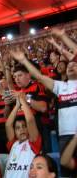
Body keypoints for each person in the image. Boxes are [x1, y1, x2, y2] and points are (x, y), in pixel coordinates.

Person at [10, 35, 77, 176]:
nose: (71, 66)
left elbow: (43, 107)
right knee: (67, 172)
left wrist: (63, 38)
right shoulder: (60, 86)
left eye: (74, 64)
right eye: (69, 65)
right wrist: (23, 60)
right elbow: (39, 76)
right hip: (64, 135)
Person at [4, 91, 42, 178]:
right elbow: (8, 125)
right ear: (15, 132)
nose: (21, 130)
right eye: (18, 128)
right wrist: (17, 105)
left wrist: (22, 100)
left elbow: (30, 120)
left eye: (24, 126)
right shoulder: (13, 143)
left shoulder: (33, 142)